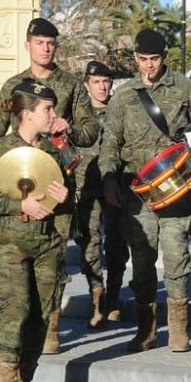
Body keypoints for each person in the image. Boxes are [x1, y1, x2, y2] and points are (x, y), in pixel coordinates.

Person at [98, 29, 191, 352]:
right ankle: (146, 329)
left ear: (163, 57)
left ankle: (179, 329)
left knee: (176, 255)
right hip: (137, 192)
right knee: (141, 259)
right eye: (142, 60)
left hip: (176, 188)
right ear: (135, 58)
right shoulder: (124, 95)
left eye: (154, 60)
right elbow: (110, 141)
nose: (149, 66)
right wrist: (109, 179)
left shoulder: (184, 87)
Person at [0, 17, 101, 354]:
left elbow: (90, 130)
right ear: (28, 45)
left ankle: (50, 326)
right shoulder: (13, 86)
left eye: (51, 42)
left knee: (54, 256)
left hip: (57, 182)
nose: (46, 47)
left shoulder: (71, 85)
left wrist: (67, 128)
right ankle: (16, 330)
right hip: (18, 178)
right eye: (39, 42)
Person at [0, 79, 70, 382]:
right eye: (47, 108)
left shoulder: (55, 151)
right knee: (15, 311)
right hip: (11, 243)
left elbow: (69, 197)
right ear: (27, 114)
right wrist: (20, 206)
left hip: (48, 243)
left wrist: (65, 197)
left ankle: (25, 379)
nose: (53, 114)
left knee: (42, 315)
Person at [72, 60, 129, 328]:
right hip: (85, 187)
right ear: (87, 85)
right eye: (96, 82)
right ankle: (97, 298)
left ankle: (114, 299)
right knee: (89, 244)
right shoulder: (78, 115)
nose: (103, 86)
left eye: (106, 81)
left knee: (117, 244)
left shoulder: (121, 111)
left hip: (115, 186)